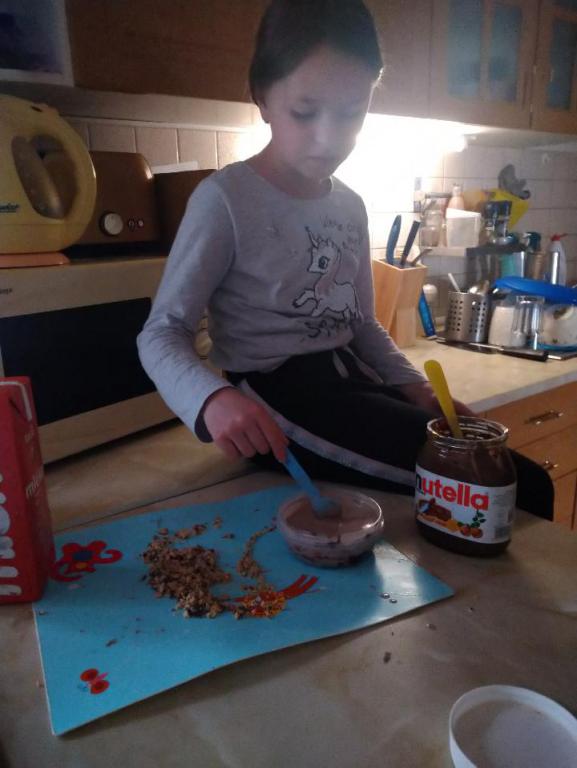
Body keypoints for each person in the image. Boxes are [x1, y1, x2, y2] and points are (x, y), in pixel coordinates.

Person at [138, 0, 554, 520]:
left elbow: (360, 322)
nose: (328, 138)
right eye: (305, 112)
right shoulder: (224, 200)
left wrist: (414, 385)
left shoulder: (349, 205)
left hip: (352, 380)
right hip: (279, 398)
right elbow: (161, 332)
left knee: (503, 476)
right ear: (262, 96)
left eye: (352, 112)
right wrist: (211, 400)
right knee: (514, 490)